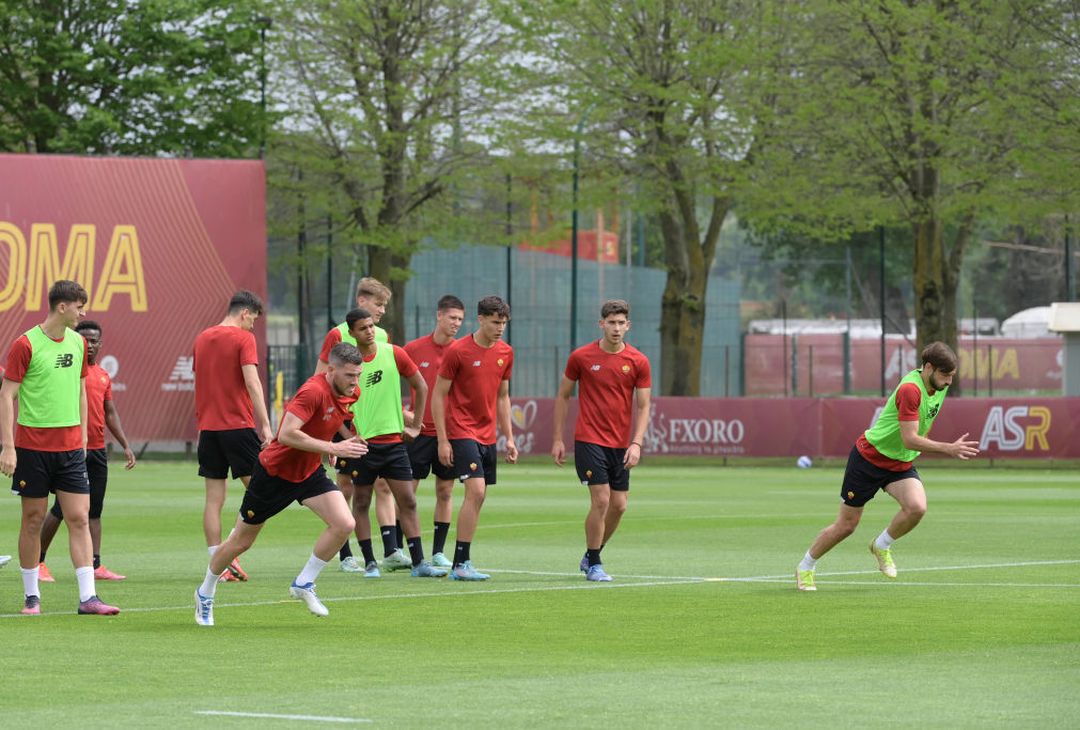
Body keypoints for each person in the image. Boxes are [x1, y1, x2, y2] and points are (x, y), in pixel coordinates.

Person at [194, 343, 369, 626]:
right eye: (350, 375)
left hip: (308, 473)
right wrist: (332, 447)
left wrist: (338, 442)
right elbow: (286, 434)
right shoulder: (312, 391)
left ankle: (304, 583)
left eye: (358, 375)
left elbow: (335, 417)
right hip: (274, 474)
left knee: (344, 523)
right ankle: (205, 592)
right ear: (331, 370)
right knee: (241, 542)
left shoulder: (351, 392)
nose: (355, 382)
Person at [795, 341, 980, 591]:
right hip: (869, 459)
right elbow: (909, 438)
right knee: (846, 525)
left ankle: (881, 545)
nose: (949, 381)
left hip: (900, 462)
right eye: (945, 375)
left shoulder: (939, 386)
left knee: (916, 508)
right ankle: (805, 567)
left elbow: (922, 426)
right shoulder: (910, 390)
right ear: (928, 367)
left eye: (952, 376)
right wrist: (948, 448)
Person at [1, 279, 119, 615]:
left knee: (79, 517)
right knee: (33, 519)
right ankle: (31, 597)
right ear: (62, 307)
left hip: (70, 449)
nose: (83, 313)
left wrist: (82, 438)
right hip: (33, 448)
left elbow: (81, 391)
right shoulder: (25, 344)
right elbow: (6, 395)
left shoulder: (78, 343)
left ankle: (88, 598)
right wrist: (8, 447)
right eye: (80, 307)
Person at [335, 308, 445, 578]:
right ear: (352, 333)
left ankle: (419, 563)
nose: (369, 331)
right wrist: (348, 438)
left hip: (395, 444)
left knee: (408, 501)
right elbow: (331, 404)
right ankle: (370, 563)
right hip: (363, 447)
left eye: (371, 326)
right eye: (363, 328)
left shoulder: (394, 353)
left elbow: (421, 386)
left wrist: (416, 425)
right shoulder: (349, 366)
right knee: (361, 502)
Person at [552, 299, 651, 582]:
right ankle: (595, 564)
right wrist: (558, 439)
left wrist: (636, 443)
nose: (616, 328)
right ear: (601, 324)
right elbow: (563, 396)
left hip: (620, 444)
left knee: (619, 506)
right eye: (611, 323)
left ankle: (591, 553)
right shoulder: (581, 357)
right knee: (602, 500)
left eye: (621, 323)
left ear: (628, 325)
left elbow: (643, 405)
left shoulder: (638, 361)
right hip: (589, 439)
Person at [38, 320, 137, 583]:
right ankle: (38, 562)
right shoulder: (65, 370)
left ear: (100, 344)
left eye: (94, 341)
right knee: (61, 509)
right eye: (84, 340)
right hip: (71, 450)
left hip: (97, 452)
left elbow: (110, 413)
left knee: (94, 511)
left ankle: (95, 565)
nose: (89, 345)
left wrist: (125, 445)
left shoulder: (103, 375)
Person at [314, 277, 399, 572]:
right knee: (346, 486)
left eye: (385, 305)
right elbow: (320, 378)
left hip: (375, 425)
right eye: (378, 304)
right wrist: (328, 430)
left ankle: (392, 551)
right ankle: (345, 553)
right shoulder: (337, 334)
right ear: (362, 301)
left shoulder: (383, 336)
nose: (382, 310)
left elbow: (383, 375)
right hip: (346, 423)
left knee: (383, 484)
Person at [432, 295, 517, 581]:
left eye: (503, 323)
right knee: (476, 491)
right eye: (495, 322)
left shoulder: (506, 352)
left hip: (487, 435)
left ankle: (462, 561)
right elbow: (439, 395)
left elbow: (503, 397)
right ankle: (460, 563)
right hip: (461, 430)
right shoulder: (458, 351)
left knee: (479, 497)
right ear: (480, 319)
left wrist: (509, 438)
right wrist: (443, 440)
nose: (500, 328)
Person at [193, 290, 273, 583]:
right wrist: (266, 425)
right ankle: (229, 550)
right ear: (245, 313)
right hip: (237, 427)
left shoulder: (202, 338)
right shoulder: (243, 338)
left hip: (208, 430)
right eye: (254, 320)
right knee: (265, 491)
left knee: (213, 499)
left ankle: (218, 562)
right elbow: (252, 383)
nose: (253, 326)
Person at [404, 295, 465, 568]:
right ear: (439, 315)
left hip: (448, 434)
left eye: (460, 319)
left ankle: (438, 551)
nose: (456, 323)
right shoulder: (413, 349)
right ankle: (400, 550)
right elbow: (392, 383)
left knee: (445, 490)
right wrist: (402, 413)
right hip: (418, 433)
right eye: (452, 317)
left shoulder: (462, 351)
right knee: (407, 493)